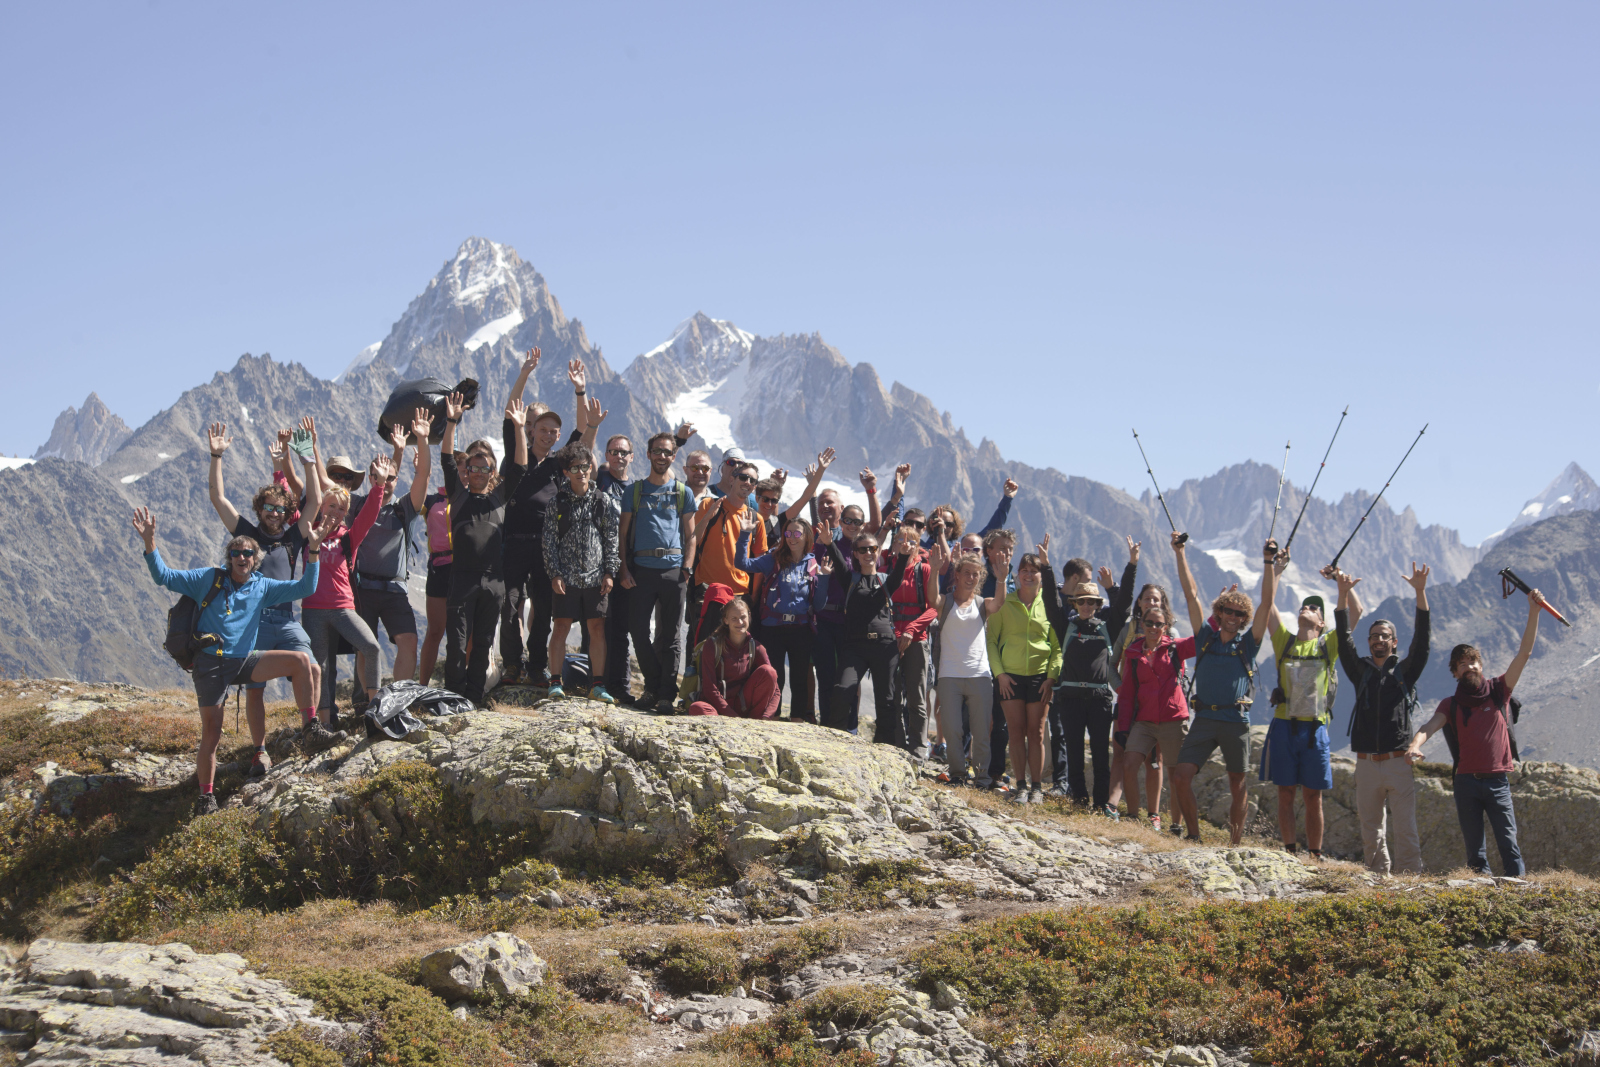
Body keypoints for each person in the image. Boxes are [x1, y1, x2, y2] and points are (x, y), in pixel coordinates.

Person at [133, 505, 341, 816]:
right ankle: (206, 798)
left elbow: (305, 587)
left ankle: (310, 728)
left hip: (243, 660)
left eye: (247, 553)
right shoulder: (209, 578)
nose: (241, 557)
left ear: (256, 560)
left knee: (300, 661)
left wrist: (312, 551)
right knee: (212, 733)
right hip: (210, 664)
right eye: (236, 552)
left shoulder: (261, 585)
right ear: (229, 556)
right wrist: (150, 543)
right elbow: (164, 576)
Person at [204, 420, 323, 779]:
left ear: (288, 513)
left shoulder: (293, 538)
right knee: (254, 691)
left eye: (279, 510)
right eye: (267, 508)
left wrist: (306, 460)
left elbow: (316, 500)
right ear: (259, 510)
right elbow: (217, 498)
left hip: (286, 620)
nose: (273, 514)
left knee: (312, 667)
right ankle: (259, 752)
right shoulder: (247, 535)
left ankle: (310, 730)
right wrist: (216, 456)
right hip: (253, 623)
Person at [1404, 588, 1543, 876]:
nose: (1470, 666)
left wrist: (1534, 611)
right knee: (1475, 852)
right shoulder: (1451, 704)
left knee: (1509, 843)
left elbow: (1524, 653)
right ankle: (1482, 899)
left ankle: (1516, 896)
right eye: (1463, 663)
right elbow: (1429, 727)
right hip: (1466, 782)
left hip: (1497, 781)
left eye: (1473, 661)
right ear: (1455, 672)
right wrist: (1414, 745)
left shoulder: (1499, 690)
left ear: (1482, 666)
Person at [1170, 532, 1272, 844]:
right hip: (1205, 720)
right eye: (1227, 610)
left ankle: (1235, 843)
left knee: (1238, 781)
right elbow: (1191, 595)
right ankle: (1193, 835)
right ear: (1219, 613)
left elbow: (1267, 603)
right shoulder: (1205, 637)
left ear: (1244, 620)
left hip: (1235, 721)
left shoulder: (1249, 645)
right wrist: (1180, 552)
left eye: (1239, 614)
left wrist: (1268, 563)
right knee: (1181, 775)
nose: (1232, 616)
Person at [1335, 563, 1431, 875]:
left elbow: (1423, 639)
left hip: (1398, 761)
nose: (1378, 639)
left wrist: (1420, 592)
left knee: (1405, 828)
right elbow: (1342, 638)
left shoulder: (1406, 671)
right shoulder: (1359, 671)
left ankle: (1408, 882)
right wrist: (1342, 595)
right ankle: (1379, 883)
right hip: (1365, 763)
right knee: (1370, 830)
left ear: (1394, 642)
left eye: (1384, 635)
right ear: (1369, 641)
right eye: (1374, 635)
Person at [499, 348, 587, 687]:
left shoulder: (558, 464)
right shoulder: (515, 454)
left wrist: (579, 390)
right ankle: (511, 664)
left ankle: (536, 667)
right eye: (544, 430)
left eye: (554, 432)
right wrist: (525, 374)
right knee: (510, 607)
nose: (549, 435)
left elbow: (581, 428)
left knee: (544, 611)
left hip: (547, 547)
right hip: (513, 544)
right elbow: (511, 410)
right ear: (532, 430)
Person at [442, 391, 529, 704]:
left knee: (482, 643)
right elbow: (446, 458)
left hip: (494, 581)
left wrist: (519, 428)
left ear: (493, 473)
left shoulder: (498, 499)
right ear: (467, 472)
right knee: (456, 643)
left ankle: (475, 697)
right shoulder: (459, 496)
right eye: (473, 468)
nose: (477, 473)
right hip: (461, 578)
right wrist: (452, 421)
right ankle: (453, 698)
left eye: (484, 469)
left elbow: (520, 466)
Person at [1038, 538, 1136, 810]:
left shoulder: (1107, 626)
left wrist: (1131, 565)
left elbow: (1125, 603)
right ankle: (1079, 801)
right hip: (1068, 697)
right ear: (1074, 602)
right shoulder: (1064, 625)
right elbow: (1048, 599)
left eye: (1091, 602)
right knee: (1074, 752)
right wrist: (1046, 566)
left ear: (1096, 604)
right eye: (1081, 601)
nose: (1086, 606)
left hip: (1099, 698)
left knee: (1101, 758)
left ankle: (1102, 803)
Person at [1260, 538, 1339, 860]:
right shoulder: (1283, 641)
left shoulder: (1328, 645)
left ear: (1322, 624)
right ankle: (1291, 852)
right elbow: (1267, 605)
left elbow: (1355, 614)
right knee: (1285, 793)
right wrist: (1273, 568)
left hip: (1315, 728)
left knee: (1312, 797)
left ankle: (1316, 855)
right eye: (1305, 605)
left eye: (1315, 608)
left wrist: (1339, 582)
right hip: (1284, 725)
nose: (1308, 608)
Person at [350, 410, 434, 708]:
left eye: (389, 478)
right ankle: (368, 701)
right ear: (369, 478)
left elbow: (422, 474)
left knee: (408, 642)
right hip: (362, 590)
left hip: (395, 590)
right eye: (376, 476)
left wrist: (421, 440)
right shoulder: (357, 505)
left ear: (396, 480)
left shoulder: (404, 508)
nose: (383, 482)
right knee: (366, 646)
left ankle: (399, 698)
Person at [301, 455, 390, 725]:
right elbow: (297, 496)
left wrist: (379, 487)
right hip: (313, 611)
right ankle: (325, 723)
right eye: (330, 506)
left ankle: (375, 711)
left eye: (341, 508)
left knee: (372, 648)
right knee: (322, 669)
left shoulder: (348, 538)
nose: (335, 512)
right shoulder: (306, 532)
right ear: (320, 506)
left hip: (343, 609)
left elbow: (369, 515)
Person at [619, 432, 699, 713]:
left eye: (667, 452)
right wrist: (624, 568)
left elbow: (691, 536)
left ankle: (665, 694)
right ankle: (653, 686)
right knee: (638, 630)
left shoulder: (682, 492)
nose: (662, 456)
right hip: (641, 570)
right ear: (649, 454)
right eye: (657, 451)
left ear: (673, 456)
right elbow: (623, 533)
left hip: (673, 571)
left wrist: (686, 568)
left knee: (671, 636)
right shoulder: (635, 491)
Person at [815, 524, 912, 738]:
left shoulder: (886, 580)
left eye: (872, 549)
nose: (868, 553)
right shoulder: (850, 579)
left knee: (886, 700)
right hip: (854, 646)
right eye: (863, 550)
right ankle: (835, 739)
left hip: (885, 646)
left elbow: (897, 576)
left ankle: (884, 747)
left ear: (878, 551)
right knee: (842, 689)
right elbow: (839, 564)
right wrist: (829, 543)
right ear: (856, 555)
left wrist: (903, 556)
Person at [543, 443, 620, 702]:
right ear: (566, 472)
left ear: (591, 468)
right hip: (566, 578)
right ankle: (555, 682)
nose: (581, 472)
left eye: (585, 466)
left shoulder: (603, 500)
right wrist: (554, 573)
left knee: (597, 628)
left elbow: (611, 538)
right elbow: (548, 541)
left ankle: (597, 685)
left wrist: (610, 571)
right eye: (574, 468)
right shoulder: (557, 503)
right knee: (561, 626)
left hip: (596, 578)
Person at [987, 546, 1060, 803]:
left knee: (1037, 732)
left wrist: (1052, 677)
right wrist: (1000, 675)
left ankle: (1037, 788)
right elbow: (991, 642)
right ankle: (1020, 786)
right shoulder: (1005, 602)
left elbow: (1057, 647)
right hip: (1010, 678)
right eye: (1024, 570)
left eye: (1034, 570)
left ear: (1042, 575)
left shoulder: (1049, 604)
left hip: (1041, 678)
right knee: (1016, 732)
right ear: (1017, 575)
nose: (1029, 575)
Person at [1113, 581, 1189, 828]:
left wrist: (1216, 614)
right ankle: (1135, 817)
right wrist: (1124, 728)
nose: (1154, 627)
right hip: (1144, 720)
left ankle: (1176, 825)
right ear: (1141, 625)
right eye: (1149, 623)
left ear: (1166, 626)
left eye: (1159, 624)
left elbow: (1202, 639)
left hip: (1172, 719)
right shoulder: (1133, 653)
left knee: (1175, 773)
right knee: (1129, 762)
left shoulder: (1176, 648)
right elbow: (1127, 695)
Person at [737, 513, 822, 723]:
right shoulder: (773, 558)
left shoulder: (813, 565)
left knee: (800, 676)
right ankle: (772, 716)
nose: (792, 538)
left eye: (797, 534)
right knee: (775, 675)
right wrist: (745, 533)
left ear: (806, 537)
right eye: (788, 533)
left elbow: (818, 603)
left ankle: (798, 719)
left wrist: (825, 578)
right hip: (772, 627)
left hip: (801, 628)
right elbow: (742, 563)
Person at [932, 546, 1004, 786]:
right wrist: (933, 570)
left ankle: (982, 776)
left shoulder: (984, 603)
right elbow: (932, 600)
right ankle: (958, 774)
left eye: (976, 574)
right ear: (958, 574)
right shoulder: (946, 602)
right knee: (952, 730)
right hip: (949, 676)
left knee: (981, 731)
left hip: (979, 675)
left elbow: (999, 604)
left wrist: (1002, 579)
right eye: (967, 572)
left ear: (980, 577)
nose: (971, 577)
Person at [882, 509, 942, 755]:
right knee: (893, 695)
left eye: (912, 541)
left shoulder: (924, 570)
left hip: (916, 638)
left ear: (919, 546)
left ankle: (919, 746)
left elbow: (934, 608)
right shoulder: (887, 569)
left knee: (917, 696)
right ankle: (897, 745)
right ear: (894, 545)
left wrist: (911, 629)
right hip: (890, 637)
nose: (906, 544)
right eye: (901, 540)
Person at [689, 460, 767, 648]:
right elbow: (692, 540)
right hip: (707, 591)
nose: (747, 482)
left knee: (734, 654)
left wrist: (753, 597)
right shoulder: (709, 505)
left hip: (739, 595)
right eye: (743, 477)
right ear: (732, 479)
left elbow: (760, 563)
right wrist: (708, 516)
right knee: (702, 649)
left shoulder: (756, 519)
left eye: (752, 481)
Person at [685, 598, 781, 718]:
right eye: (734, 618)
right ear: (726, 620)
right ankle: (726, 722)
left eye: (743, 617)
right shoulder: (712, 645)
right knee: (697, 708)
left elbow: (775, 689)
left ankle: (753, 721)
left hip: (743, 707)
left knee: (769, 672)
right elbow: (709, 687)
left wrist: (765, 718)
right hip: (716, 706)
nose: (739, 622)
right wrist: (732, 717)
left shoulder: (756, 648)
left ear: (749, 617)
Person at [597, 430, 634, 700]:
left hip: (627, 566)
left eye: (623, 452)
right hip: (597, 566)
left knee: (620, 629)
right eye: (613, 451)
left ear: (631, 457)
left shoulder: (636, 490)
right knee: (596, 626)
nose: (619, 456)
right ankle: (596, 683)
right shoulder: (600, 479)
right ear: (606, 454)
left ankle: (620, 688)